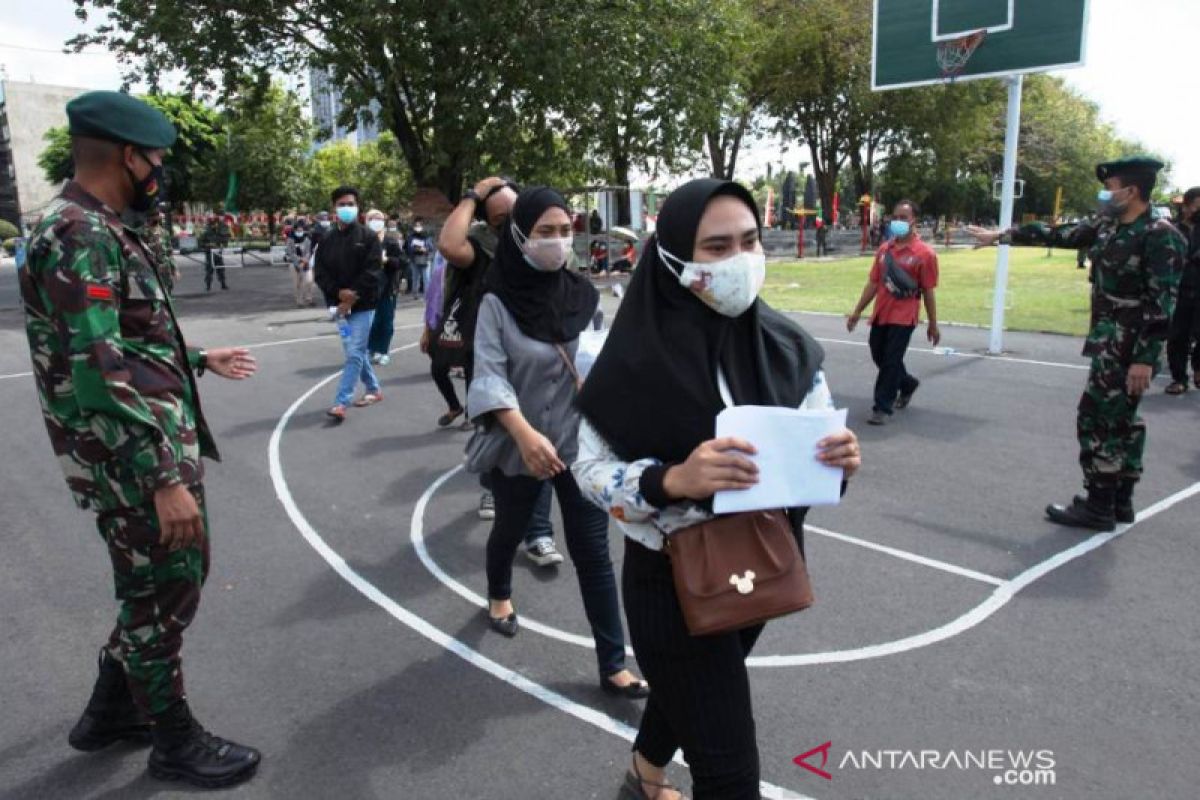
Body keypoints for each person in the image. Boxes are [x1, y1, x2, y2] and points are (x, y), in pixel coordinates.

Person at [573, 178, 861, 799]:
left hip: (762, 562)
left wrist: (838, 461)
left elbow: (816, 442)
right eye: (717, 246)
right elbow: (589, 473)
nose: (740, 260)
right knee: (729, 772)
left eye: (750, 241)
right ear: (675, 257)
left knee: (694, 696)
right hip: (672, 580)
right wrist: (673, 479)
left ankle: (644, 775)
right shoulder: (626, 358)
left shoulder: (786, 346)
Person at [17, 90, 261, 788]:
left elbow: (119, 345)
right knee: (160, 596)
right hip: (135, 464)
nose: (161, 170)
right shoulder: (80, 235)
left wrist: (193, 360)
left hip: (136, 452)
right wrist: (162, 480)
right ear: (129, 155)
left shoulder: (94, 227)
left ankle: (111, 711)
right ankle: (173, 739)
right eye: (156, 158)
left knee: (165, 587)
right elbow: (96, 373)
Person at [467, 186, 643, 690]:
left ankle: (614, 664)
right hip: (521, 445)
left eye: (566, 231)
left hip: (576, 445)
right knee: (510, 528)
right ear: (520, 235)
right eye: (546, 232)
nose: (558, 241)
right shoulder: (496, 301)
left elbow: (596, 356)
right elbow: (489, 375)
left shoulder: (583, 296)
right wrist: (522, 434)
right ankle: (499, 592)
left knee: (593, 552)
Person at [968, 157, 1186, 530]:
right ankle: (1118, 501)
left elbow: (1162, 302)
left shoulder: (1158, 234)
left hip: (1129, 347)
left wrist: (1145, 359)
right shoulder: (1109, 225)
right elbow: (1058, 234)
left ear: (1131, 191)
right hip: (1107, 341)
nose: (1106, 194)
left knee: (1099, 419)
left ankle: (1100, 505)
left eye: (1112, 186)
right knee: (1121, 421)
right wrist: (1000, 236)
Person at [438, 176, 561, 565]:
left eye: (515, 216)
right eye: (499, 220)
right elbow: (448, 245)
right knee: (496, 437)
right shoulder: (483, 252)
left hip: (538, 366)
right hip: (489, 366)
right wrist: (472, 195)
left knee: (540, 443)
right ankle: (491, 481)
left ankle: (539, 534)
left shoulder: (546, 248)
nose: (508, 227)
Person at [846, 199, 941, 425]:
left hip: (904, 316)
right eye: (895, 217)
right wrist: (857, 311)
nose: (897, 222)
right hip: (881, 313)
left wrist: (933, 323)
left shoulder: (925, 254)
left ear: (913, 221)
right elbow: (873, 283)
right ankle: (906, 383)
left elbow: (928, 291)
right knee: (878, 353)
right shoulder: (884, 250)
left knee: (891, 360)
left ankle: (882, 407)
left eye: (903, 218)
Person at [313, 186, 384, 421]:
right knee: (354, 351)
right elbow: (320, 273)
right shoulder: (326, 239)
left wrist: (352, 296)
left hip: (363, 306)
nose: (346, 208)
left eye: (350, 204)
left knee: (354, 352)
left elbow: (372, 272)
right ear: (334, 207)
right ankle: (373, 389)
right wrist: (338, 295)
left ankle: (340, 402)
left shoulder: (369, 237)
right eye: (342, 204)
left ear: (358, 207)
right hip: (338, 308)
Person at [1164, 187, 1200, 394]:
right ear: (1186, 207)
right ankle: (1179, 378)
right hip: (1179, 289)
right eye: (1197, 206)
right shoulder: (1171, 229)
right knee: (1178, 336)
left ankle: (1198, 368)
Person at [366, 208, 406, 365]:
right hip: (368, 288)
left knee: (386, 320)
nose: (376, 221)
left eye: (379, 218)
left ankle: (383, 350)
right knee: (372, 321)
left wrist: (387, 260)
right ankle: (371, 349)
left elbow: (403, 261)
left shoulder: (390, 241)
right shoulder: (363, 241)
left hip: (388, 287)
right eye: (372, 218)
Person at [140, 204, 179, 294]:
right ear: (150, 218)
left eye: (158, 216)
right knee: (153, 291)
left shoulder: (164, 233)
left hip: (164, 267)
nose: (158, 219)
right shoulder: (142, 232)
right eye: (156, 217)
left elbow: (169, 252)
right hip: (150, 266)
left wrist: (175, 269)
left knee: (167, 291)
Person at [287, 219, 315, 307]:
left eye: (301, 229)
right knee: (297, 283)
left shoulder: (307, 238)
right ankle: (299, 301)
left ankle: (309, 298)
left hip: (306, 263)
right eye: (298, 229)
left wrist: (305, 260)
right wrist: (299, 260)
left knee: (309, 281)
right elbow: (290, 252)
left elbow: (309, 251)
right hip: (294, 264)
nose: (300, 231)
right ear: (294, 230)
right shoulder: (290, 239)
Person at [198, 215, 230, 291]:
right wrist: (208, 245)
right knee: (209, 270)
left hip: (218, 254)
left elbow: (225, 241)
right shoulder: (206, 233)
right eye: (213, 223)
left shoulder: (219, 231)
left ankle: (223, 284)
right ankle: (208, 286)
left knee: (221, 269)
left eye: (216, 223)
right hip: (210, 254)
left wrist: (223, 245)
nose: (215, 224)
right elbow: (200, 243)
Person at [406, 217, 433, 296]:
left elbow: (431, 247)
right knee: (415, 277)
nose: (418, 227)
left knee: (426, 278)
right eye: (416, 226)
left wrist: (425, 249)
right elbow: (409, 248)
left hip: (425, 259)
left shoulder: (427, 236)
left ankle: (427, 294)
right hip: (414, 259)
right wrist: (416, 249)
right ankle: (415, 293)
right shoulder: (411, 237)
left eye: (419, 225)